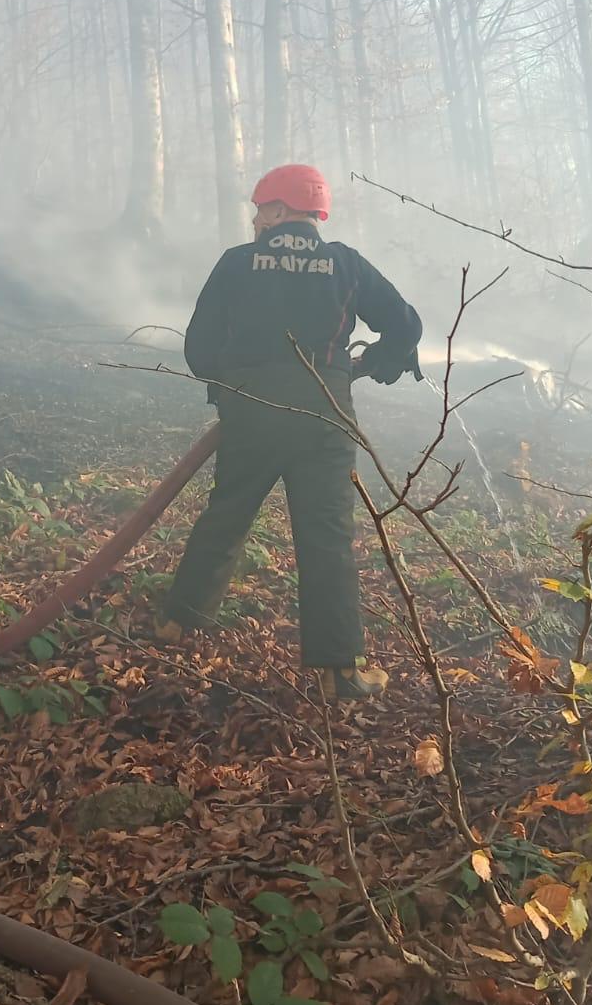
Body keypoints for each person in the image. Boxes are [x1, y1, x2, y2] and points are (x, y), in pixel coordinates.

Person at [157, 164, 423, 700]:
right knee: (325, 535)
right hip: (324, 412)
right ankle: (339, 670)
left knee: (226, 516)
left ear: (279, 209)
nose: (255, 219)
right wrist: (375, 361)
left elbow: (199, 343)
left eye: (260, 209)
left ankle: (177, 625)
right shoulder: (344, 262)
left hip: (250, 411)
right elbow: (405, 324)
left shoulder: (238, 263)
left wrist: (227, 390)